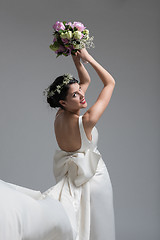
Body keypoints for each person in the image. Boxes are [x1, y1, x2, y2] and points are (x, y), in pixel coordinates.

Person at [0, 48, 116, 240]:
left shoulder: (60, 115)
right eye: (75, 95)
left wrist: (77, 61)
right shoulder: (86, 121)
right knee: (98, 227)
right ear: (63, 101)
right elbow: (110, 83)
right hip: (93, 178)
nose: (81, 95)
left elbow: (85, 82)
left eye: (79, 91)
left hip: (73, 177)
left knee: (80, 223)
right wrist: (89, 59)